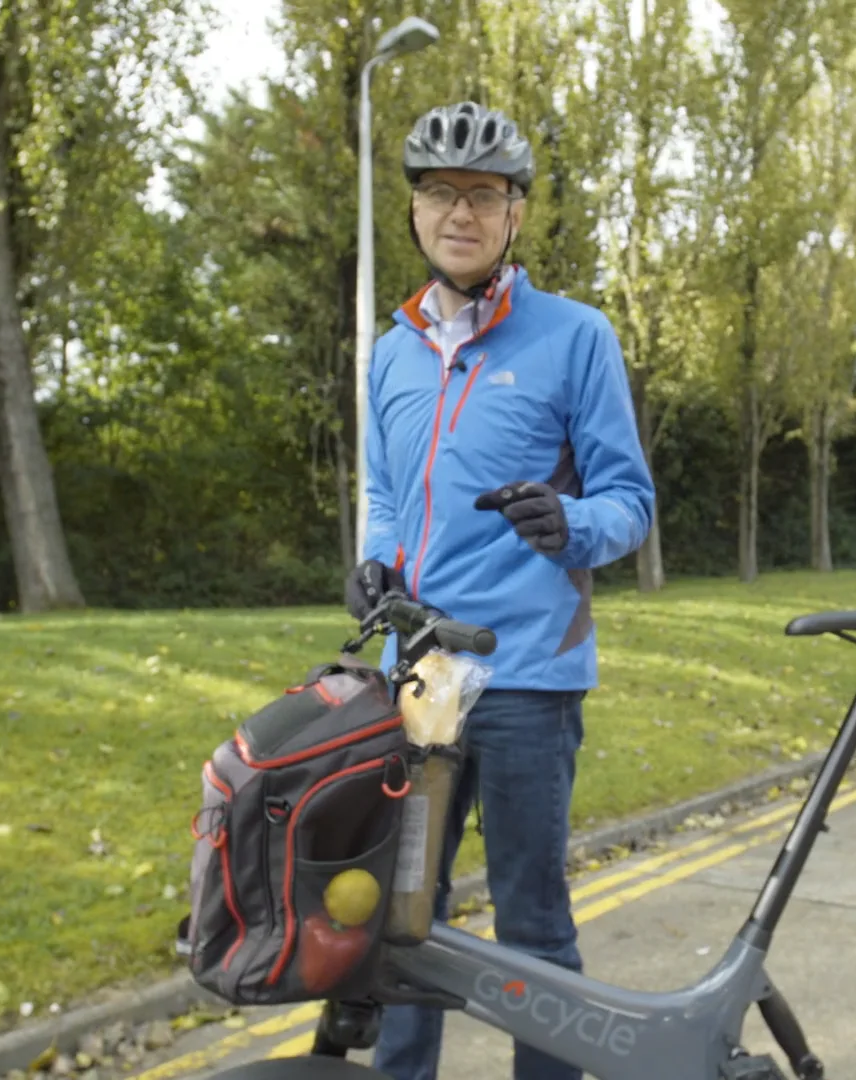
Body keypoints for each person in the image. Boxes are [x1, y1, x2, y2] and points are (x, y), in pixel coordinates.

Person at [346, 101, 656, 1080]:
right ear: (415, 210)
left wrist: (577, 527)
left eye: (483, 194)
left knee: (532, 926)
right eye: (441, 192)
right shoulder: (391, 351)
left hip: (527, 673)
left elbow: (632, 500)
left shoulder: (575, 338)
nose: (460, 213)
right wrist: (377, 557)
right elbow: (387, 492)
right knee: (406, 922)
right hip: (421, 678)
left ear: (516, 213)